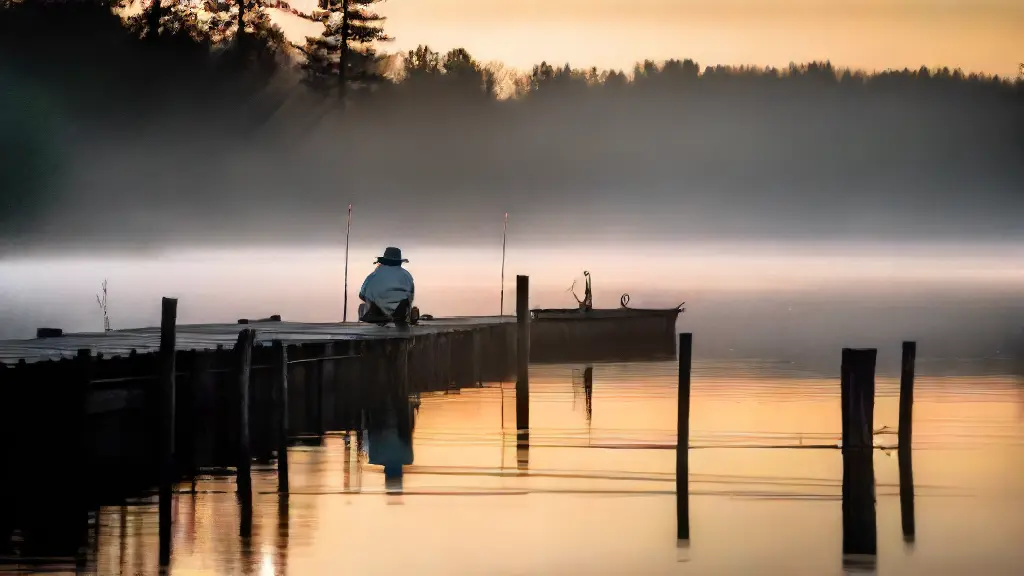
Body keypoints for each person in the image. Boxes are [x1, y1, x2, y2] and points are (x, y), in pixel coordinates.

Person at [358, 246, 417, 325]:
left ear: (383, 261)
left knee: (365, 303)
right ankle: (401, 316)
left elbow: (361, 295)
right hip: (399, 313)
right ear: (399, 262)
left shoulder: (374, 274)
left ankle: (378, 314)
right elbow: (410, 296)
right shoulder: (406, 275)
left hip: (377, 313)